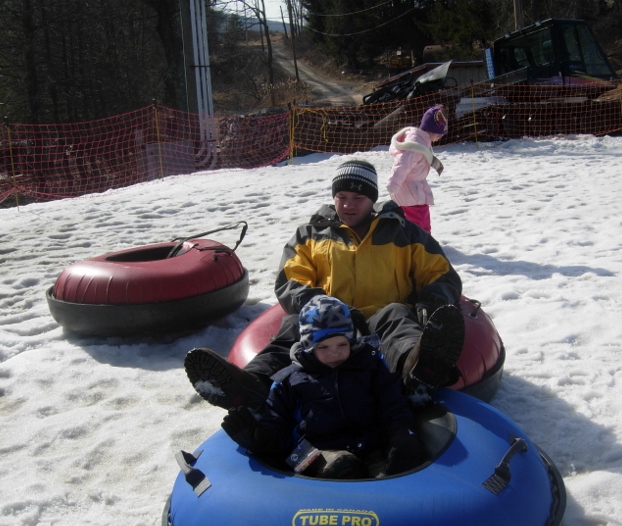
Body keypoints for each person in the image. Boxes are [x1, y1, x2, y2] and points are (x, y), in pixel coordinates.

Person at [184, 158, 465, 412]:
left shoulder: (403, 231)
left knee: (398, 316)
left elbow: (439, 273)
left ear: (373, 200)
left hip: (383, 316)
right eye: (341, 196)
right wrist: (320, 306)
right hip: (330, 318)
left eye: (358, 197)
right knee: (294, 325)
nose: (348, 204)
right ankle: (251, 385)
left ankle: (418, 373)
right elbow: (292, 279)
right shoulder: (311, 234)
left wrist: (432, 303)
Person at [220, 295, 424, 479]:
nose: (334, 353)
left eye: (341, 345)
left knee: (390, 475)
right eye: (323, 347)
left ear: (351, 342)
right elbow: (277, 418)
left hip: (369, 445)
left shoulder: (369, 365)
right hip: (316, 451)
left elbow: (392, 403)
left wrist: (401, 433)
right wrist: (261, 439)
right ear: (308, 347)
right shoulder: (291, 379)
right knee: (341, 467)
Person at [385, 105, 449, 233]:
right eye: (440, 134)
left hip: (413, 189)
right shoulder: (415, 145)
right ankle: (423, 243)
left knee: (412, 219)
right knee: (420, 221)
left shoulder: (422, 141)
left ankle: (412, 240)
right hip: (411, 192)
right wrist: (393, 183)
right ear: (432, 129)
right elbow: (402, 164)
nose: (440, 137)